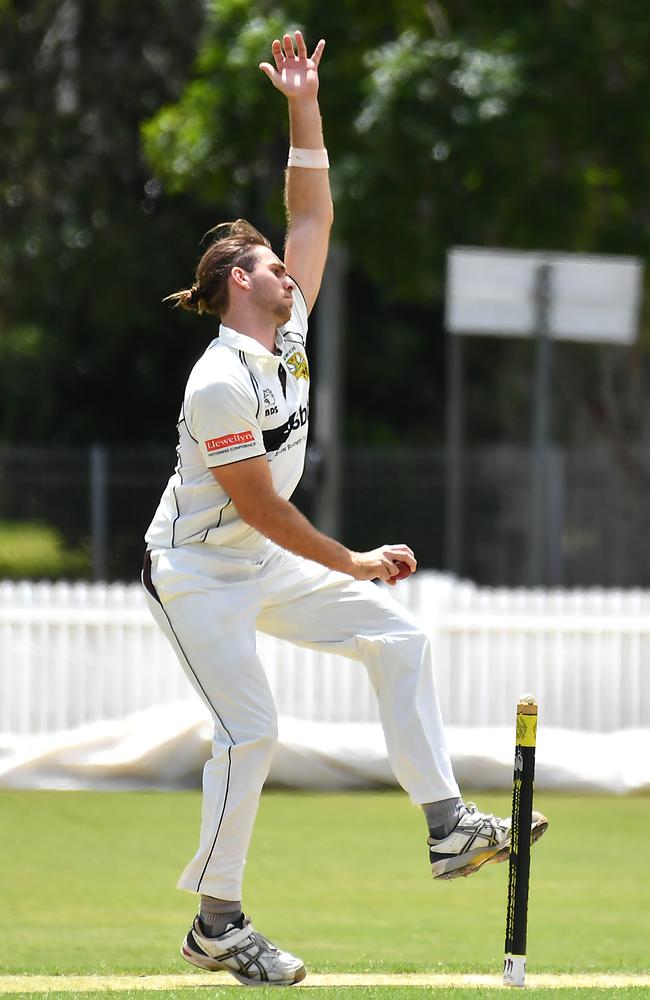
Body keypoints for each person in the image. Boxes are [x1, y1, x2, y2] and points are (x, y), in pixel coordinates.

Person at [142, 30, 548, 988]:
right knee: (253, 734)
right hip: (199, 569)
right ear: (238, 278)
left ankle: (450, 830)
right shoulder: (218, 381)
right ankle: (219, 926)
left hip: (260, 557)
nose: (292, 268)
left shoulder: (287, 336)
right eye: (273, 266)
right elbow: (262, 509)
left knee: (398, 641)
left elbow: (313, 212)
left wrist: (303, 102)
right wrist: (353, 560)